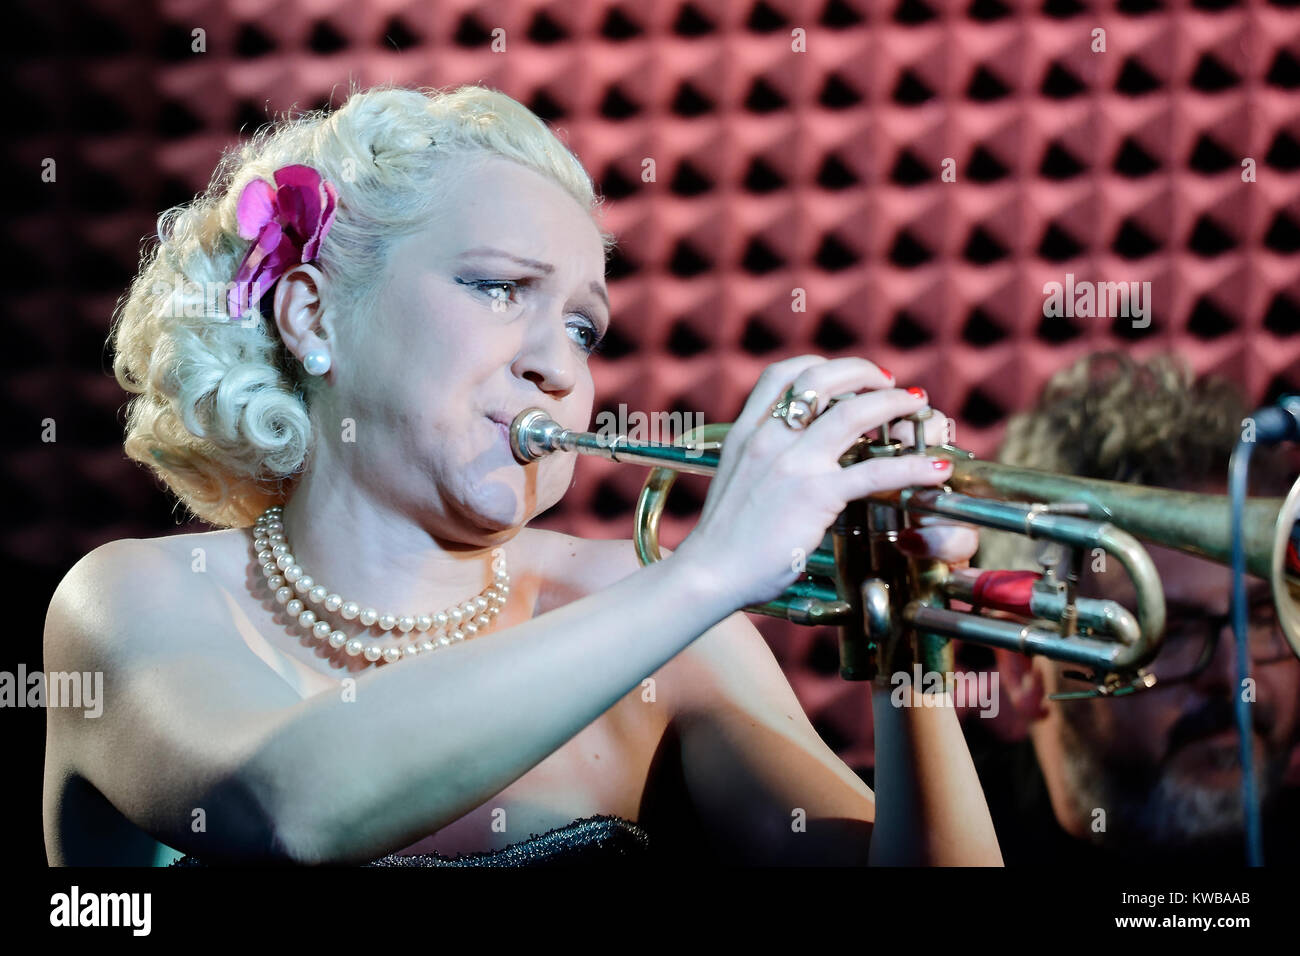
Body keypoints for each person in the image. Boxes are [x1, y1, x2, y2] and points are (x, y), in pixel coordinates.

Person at [41, 83, 1002, 866]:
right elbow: (289, 806)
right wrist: (706, 573)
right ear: (312, 317)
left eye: (585, 327)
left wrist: (905, 642)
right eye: (500, 287)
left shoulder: (648, 615)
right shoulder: (130, 600)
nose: (562, 366)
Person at [969, 352, 1300, 865]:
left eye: (1261, 617)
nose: (1236, 674)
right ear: (1023, 669)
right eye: (1169, 630)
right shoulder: (916, 835)